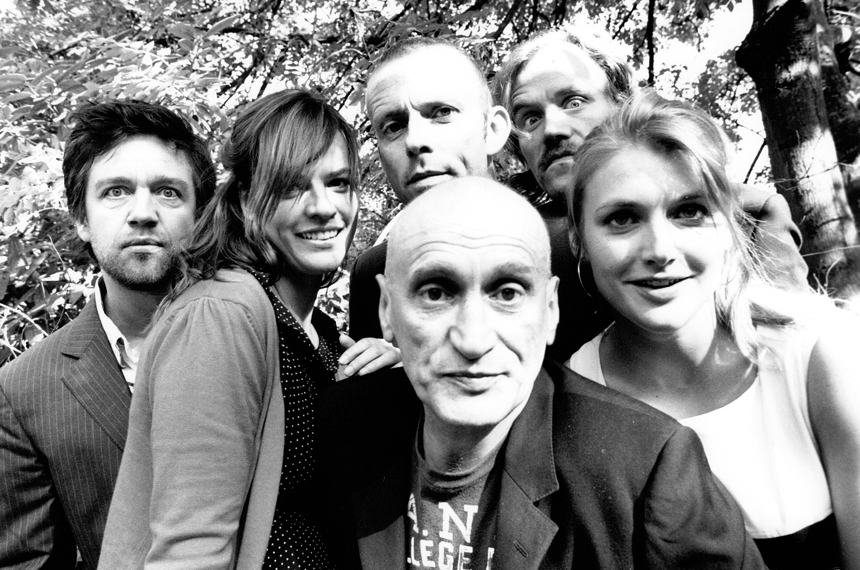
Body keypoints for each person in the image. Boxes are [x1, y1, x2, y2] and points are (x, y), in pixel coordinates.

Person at [317, 177, 767, 570]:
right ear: (386, 310)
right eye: (436, 293)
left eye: (507, 293)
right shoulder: (344, 428)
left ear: (550, 310)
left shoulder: (645, 472)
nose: (473, 339)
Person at [99, 90, 395, 569]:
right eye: (292, 187)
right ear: (247, 200)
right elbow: (190, 549)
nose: (324, 207)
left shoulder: (316, 331)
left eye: (339, 183)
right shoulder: (219, 316)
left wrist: (391, 379)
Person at [565, 90, 860, 570]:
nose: (660, 249)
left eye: (689, 211)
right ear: (579, 239)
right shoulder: (570, 401)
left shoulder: (821, 357)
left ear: (728, 224)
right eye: (622, 218)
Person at [492, 27, 810, 359]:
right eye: (530, 118)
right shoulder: (504, 242)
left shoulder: (750, 217)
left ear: (622, 105)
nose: (552, 130)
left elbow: (796, 353)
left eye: (574, 102)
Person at [0, 100, 216, 569]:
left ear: (200, 215)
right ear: (81, 218)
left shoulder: (262, 337)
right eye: (116, 191)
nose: (143, 213)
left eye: (168, 192)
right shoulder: (22, 390)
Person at [348, 36, 512, 343]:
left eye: (442, 113)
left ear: (492, 130)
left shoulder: (567, 249)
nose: (415, 140)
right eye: (394, 126)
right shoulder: (372, 274)